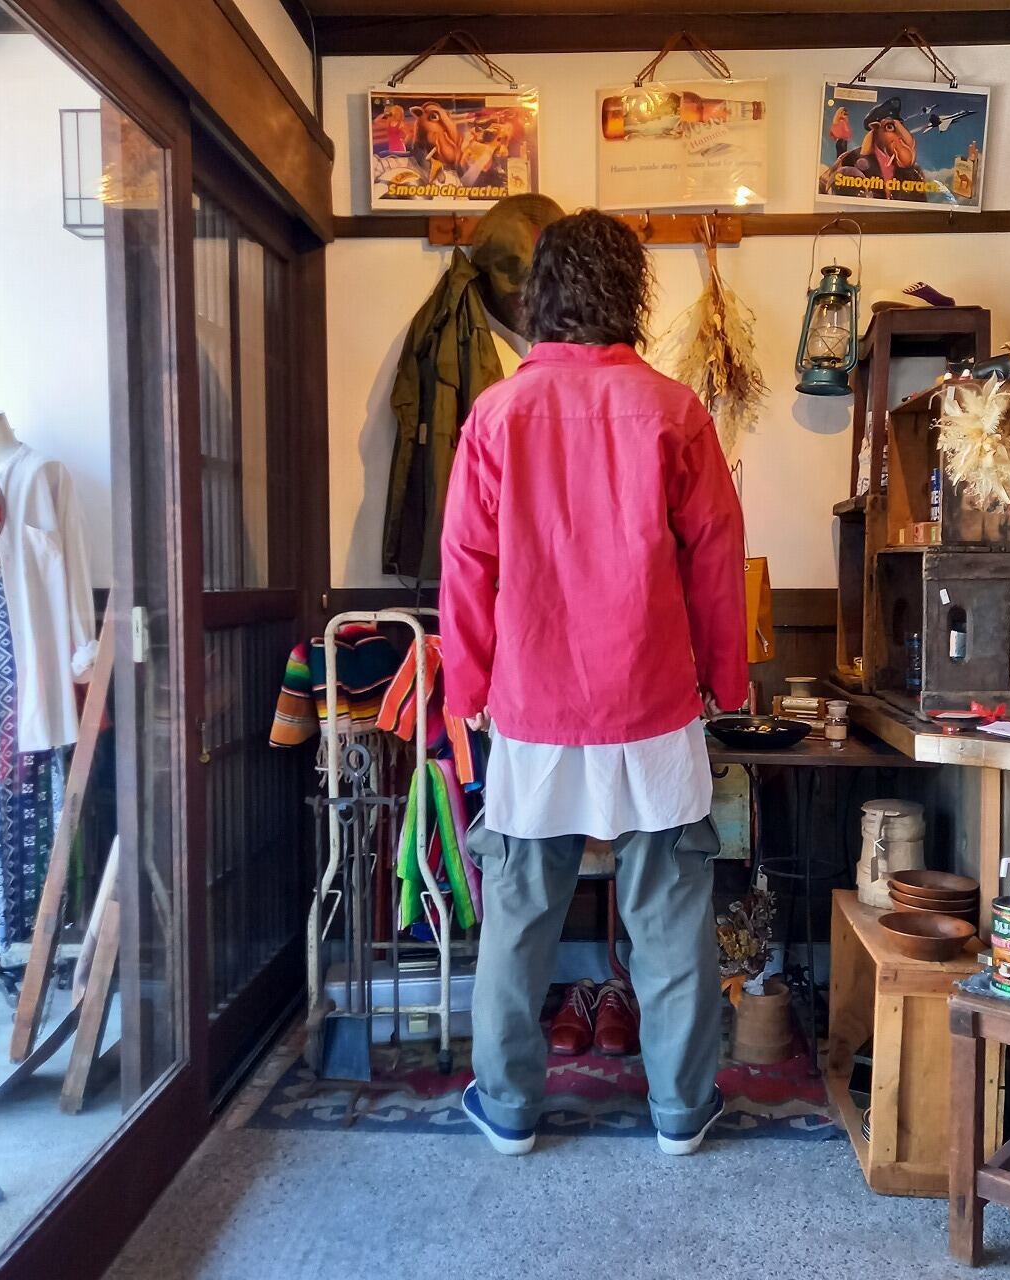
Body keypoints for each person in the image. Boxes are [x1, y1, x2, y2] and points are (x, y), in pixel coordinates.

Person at [439, 209, 748, 1157]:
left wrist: (465, 689)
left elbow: (466, 563)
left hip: (535, 703)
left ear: (540, 295)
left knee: (521, 908)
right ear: (630, 294)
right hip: (650, 701)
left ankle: (509, 1107)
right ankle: (681, 1110)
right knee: (670, 910)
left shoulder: (497, 414)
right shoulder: (675, 412)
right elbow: (717, 557)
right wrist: (726, 679)